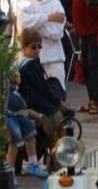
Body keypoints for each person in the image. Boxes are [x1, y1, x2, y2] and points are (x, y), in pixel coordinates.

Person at [15, 26, 65, 175]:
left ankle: (54, 154)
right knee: (57, 119)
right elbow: (43, 88)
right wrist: (58, 102)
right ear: (24, 47)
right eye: (33, 47)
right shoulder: (31, 65)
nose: (37, 51)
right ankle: (55, 156)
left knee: (55, 117)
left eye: (39, 47)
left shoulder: (23, 64)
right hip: (32, 103)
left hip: (30, 101)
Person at [16, 0, 68, 83]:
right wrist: (48, 18)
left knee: (56, 99)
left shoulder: (56, 4)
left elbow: (57, 33)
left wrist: (34, 26)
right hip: (28, 62)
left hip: (53, 61)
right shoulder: (22, 2)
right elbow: (23, 25)